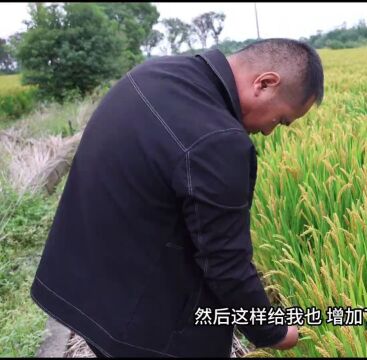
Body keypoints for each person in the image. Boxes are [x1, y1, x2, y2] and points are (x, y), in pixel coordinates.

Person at [29, 38, 324, 357]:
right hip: (134, 324)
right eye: (280, 120)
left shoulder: (154, 73)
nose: (270, 131)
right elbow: (226, 261)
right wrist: (272, 331)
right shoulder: (219, 142)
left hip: (78, 286)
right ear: (265, 83)